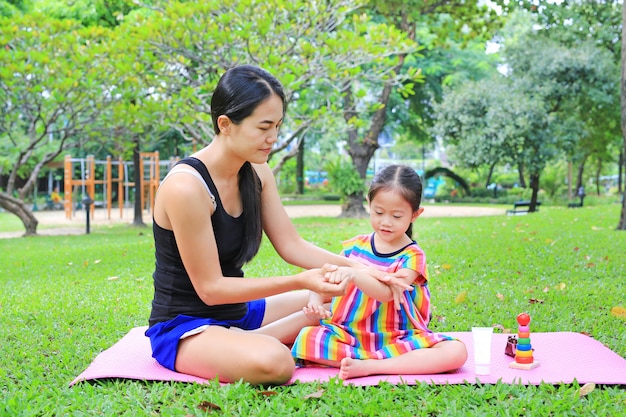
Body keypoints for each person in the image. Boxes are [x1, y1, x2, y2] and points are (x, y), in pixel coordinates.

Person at [145, 65, 403, 386]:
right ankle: (260, 339)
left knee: (355, 293)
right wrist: (300, 282)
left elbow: (292, 245)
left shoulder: (257, 171)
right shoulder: (187, 188)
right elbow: (211, 290)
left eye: (278, 125)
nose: (274, 138)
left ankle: (251, 336)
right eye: (264, 126)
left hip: (238, 313)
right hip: (186, 327)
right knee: (275, 362)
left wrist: (363, 270)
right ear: (225, 124)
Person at [291, 165, 468, 380]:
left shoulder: (412, 256)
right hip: (349, 335)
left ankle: (372, 367)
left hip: (399, 338)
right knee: (307, 337)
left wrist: (354, 274)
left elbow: (386, 293)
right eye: (378, 212)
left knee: (456, 352)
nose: (385, 222)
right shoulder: (355, 247)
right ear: (369, 204)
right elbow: (324, 275)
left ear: (415, 214)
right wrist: (315, 302)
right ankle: (373, 362)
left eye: (396, 216)